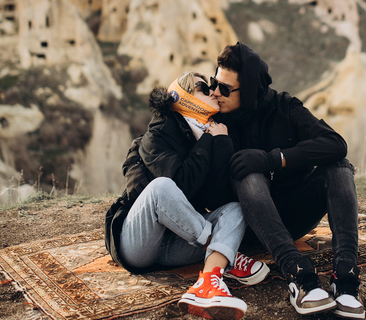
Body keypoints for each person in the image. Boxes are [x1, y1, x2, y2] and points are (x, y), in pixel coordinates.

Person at [210, 42, 365, 319]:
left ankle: (346, 278)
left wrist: (274, 159)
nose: (214, 93)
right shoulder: (217, 120)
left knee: (339, 167)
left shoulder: (284, 107)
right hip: (249, 226)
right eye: (214, 82)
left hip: (294, 215)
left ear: (247, 90)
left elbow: (336, 144)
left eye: (224, 88)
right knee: (247, 171)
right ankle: (299, 275)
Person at [106, 71, 269, 320]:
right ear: (183, 96)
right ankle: (229, 255)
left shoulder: (212, 131)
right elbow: (181, 185)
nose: (213, 91)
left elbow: (217, 197)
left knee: (234, 208)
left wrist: (222, 142)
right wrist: (205, 141)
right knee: (163, 187)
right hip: (138, 243)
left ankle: (208, 282)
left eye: (214, 86)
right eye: (204, 87)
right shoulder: (156, 135)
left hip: (179, 242)